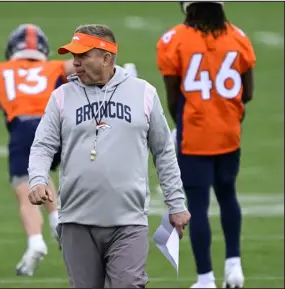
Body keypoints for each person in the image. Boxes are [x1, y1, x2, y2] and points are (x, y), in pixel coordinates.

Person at [27, 24, 191, 288]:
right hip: (76, 222)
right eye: (73, 56)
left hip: (129, 221)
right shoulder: (61, 96)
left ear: (106, 57)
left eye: (82, 55)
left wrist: (177, 204)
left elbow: (163, 151)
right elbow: (42, 146)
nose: (75, 63)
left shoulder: (144, 93)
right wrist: (37, 180)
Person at [156, 2, 256, 288]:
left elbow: (173, 95)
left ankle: (205, 278)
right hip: (228, 132)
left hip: (195, 133)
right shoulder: (238, 36)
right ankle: (234, 265)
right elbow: (246, 92)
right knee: (228, 195)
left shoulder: (173, 38)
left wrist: (185, 118)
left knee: (197, 205)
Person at [0, 23, 75, 276]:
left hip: (23, 128)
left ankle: (35, 242)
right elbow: (83, 68)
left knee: (25, 187)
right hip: (56, 128)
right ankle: (56, 218)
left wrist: (1, 101)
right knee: (41, 175)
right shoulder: (55, 67)